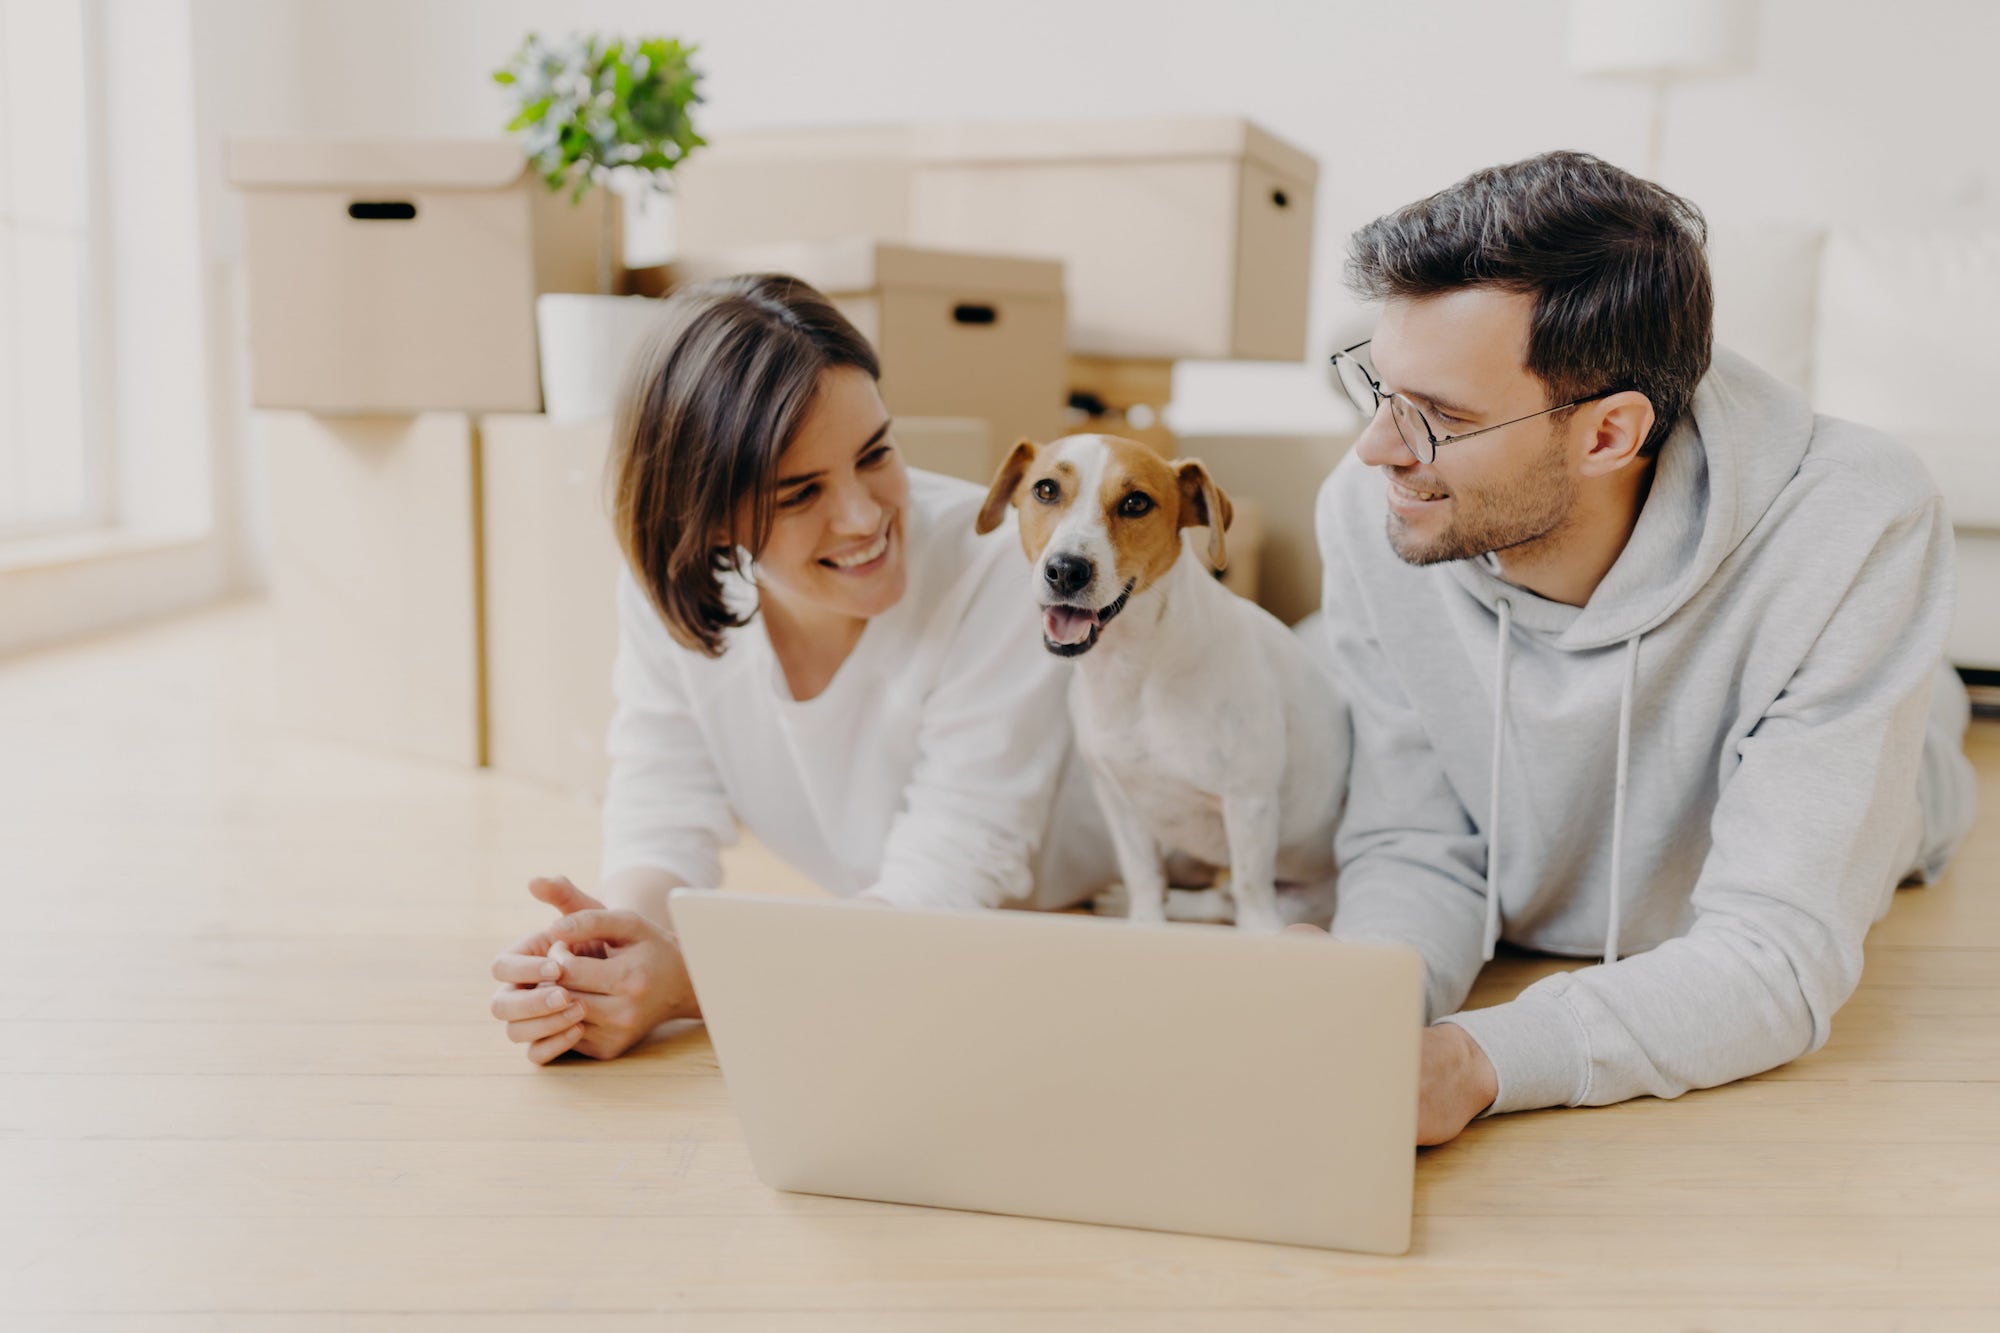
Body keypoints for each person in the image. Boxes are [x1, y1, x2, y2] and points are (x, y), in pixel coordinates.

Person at [1303, 150, 1978, 1145]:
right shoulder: (1371, 511)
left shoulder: (1853, 518)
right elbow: (1413, 841)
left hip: (1889, 776)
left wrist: (1473, 1060)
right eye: (1378, 388)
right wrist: (1365, 1000)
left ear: (1609, 434)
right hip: (1553, 803)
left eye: (1437, 417)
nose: (1376, 449)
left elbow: (1772, 957)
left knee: (1924, 736)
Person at [486, 274, 1112, 1064]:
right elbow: (663, 805)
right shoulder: (679, 586)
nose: (863, 515)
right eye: (800, 491)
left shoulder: (1000, 566)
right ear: (707, 518)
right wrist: (606, 953)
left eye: (875, 453)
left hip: (1101, 894)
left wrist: (692, 984)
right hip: (887, 930)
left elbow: (942, 893)